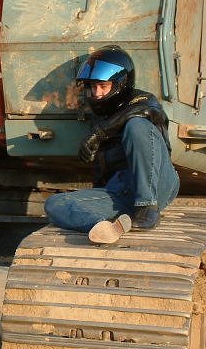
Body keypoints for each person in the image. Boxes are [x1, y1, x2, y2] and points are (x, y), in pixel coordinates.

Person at [44, 45, 180, 244]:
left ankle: (147, 207)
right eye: (93, 87)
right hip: (122, 193)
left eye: (103, 86)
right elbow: (102, 178)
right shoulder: (99, 120)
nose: (97, 93)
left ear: (120, 84)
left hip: (158, 183)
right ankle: (105, 226)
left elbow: (146, 112)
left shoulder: (144, 102)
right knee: (54, 204)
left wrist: (99, 134)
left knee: (136, 125)